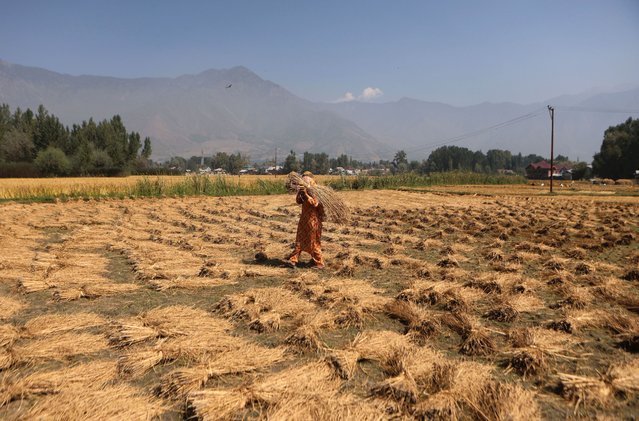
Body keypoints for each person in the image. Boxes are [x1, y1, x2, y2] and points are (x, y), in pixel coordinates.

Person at [287, 171, 325, 269]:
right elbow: (298, 201)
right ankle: (293, 260)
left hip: (313, 221)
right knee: (299, 240)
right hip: (304, 220)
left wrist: (306, 194)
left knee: (313, 242)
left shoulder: (315, 190)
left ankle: (319, 263)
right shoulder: (304, 190)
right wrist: (300, 192)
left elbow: (314, 203)